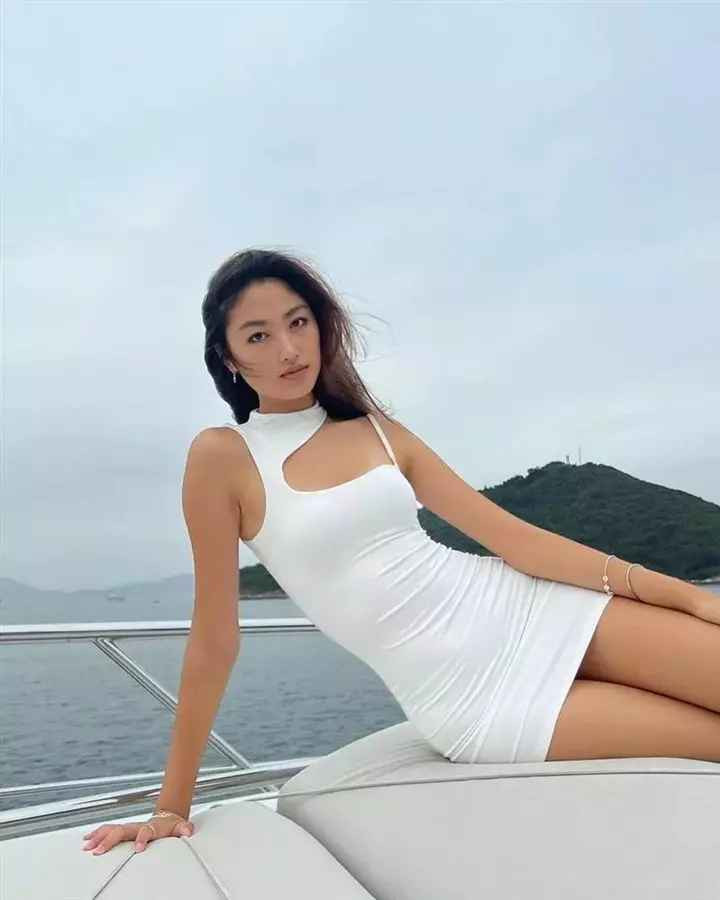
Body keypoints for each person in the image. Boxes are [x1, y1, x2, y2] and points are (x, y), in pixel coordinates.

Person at [82, 248, 720, 857]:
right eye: (258, 336)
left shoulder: (378, 432)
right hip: (476, 695)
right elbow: (215, 639)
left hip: (536, 607)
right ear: (228, 358)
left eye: (298, 323)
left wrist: (687, 597)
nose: (288, 349)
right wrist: (171, 806)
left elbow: (516, 541)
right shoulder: (223, 456)